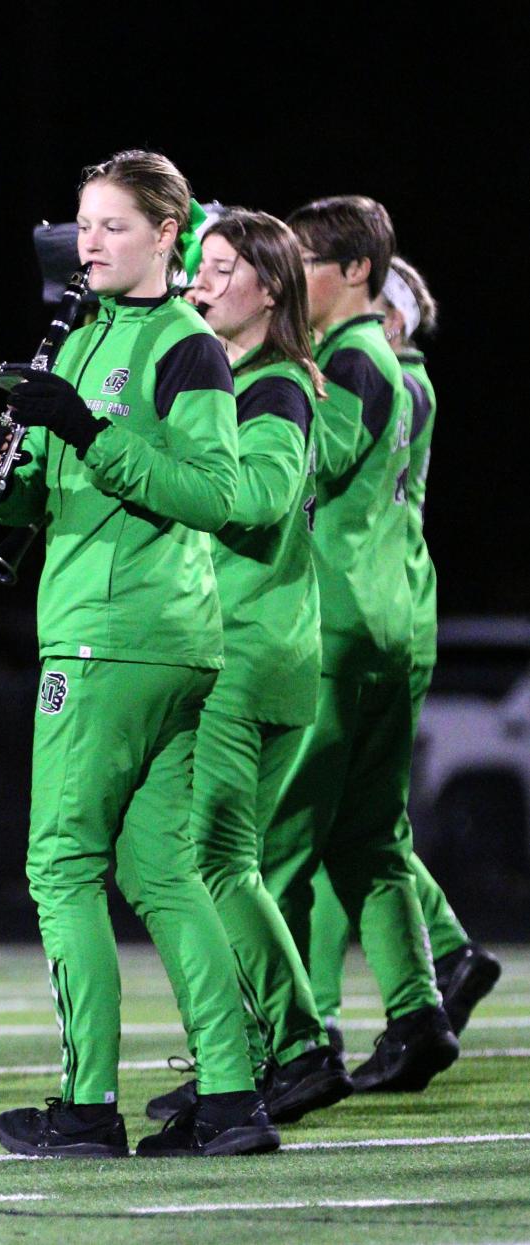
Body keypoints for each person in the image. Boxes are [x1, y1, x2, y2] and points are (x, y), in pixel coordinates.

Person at [0, 150, 277, 1159]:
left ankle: (85, 1105)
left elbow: (213, 491)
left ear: (167, 236)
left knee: (61, 867)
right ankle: (234, 1097)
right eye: (83, 224)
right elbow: (63, 488)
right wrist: (2, 479)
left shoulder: (187, 346)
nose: (90, 242)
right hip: (149, 639)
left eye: (112, 225)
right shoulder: (81, 336)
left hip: (117, 638)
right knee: (164, 876)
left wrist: (87, 428)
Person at [143, 209, 350, 1127]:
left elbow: (257, 501)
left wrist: (142, 462)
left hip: (243, 645)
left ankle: (290, 1046)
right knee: (226, 862)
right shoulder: (251, 384)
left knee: (210, 863)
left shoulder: (272, 392)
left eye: (220, 269)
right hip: (254, 643)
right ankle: (278, 1043)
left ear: (271, 288)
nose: (197, 282)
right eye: (197, 267)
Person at [264, 196, 459, 1096]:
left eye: (300, 259)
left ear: (353, 274)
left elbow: (312, 463)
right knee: (371, 840)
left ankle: (293, 1042)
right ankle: (417, 1014)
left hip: (333, 625)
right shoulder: (382, 359)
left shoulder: (349, 358)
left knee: (276, 848)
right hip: (385, 619)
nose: (282, 273)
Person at [304, 255, 501, 1049]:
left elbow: (312, 468)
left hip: (362, 606)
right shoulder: (404, 375)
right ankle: (443, 953)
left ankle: (305, 1017)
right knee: (362, 820)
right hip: (396, 602)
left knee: (318, 823)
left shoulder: (372, 371)